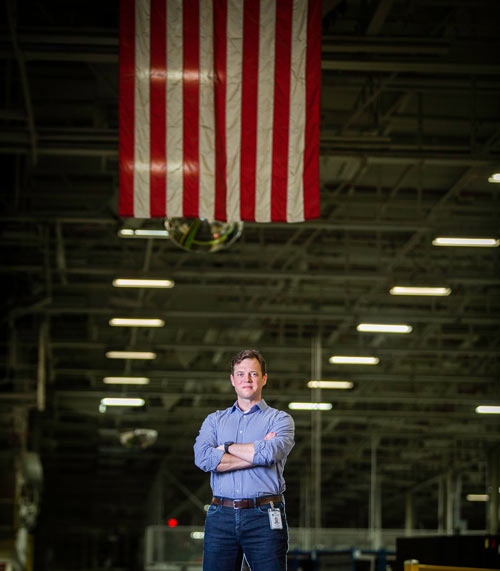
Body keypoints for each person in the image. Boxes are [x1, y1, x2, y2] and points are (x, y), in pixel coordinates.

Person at [194, 349, 295, 570]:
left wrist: (226, 448)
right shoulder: (215, 421)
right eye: (240, 374)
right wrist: (256, 454)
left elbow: (270, 453)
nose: (246, 379)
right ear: (232, 380)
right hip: (220, 516)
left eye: (253, 374)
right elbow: (203, 459)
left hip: (265, 516)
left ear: (264, 378)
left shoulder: (280, 420)